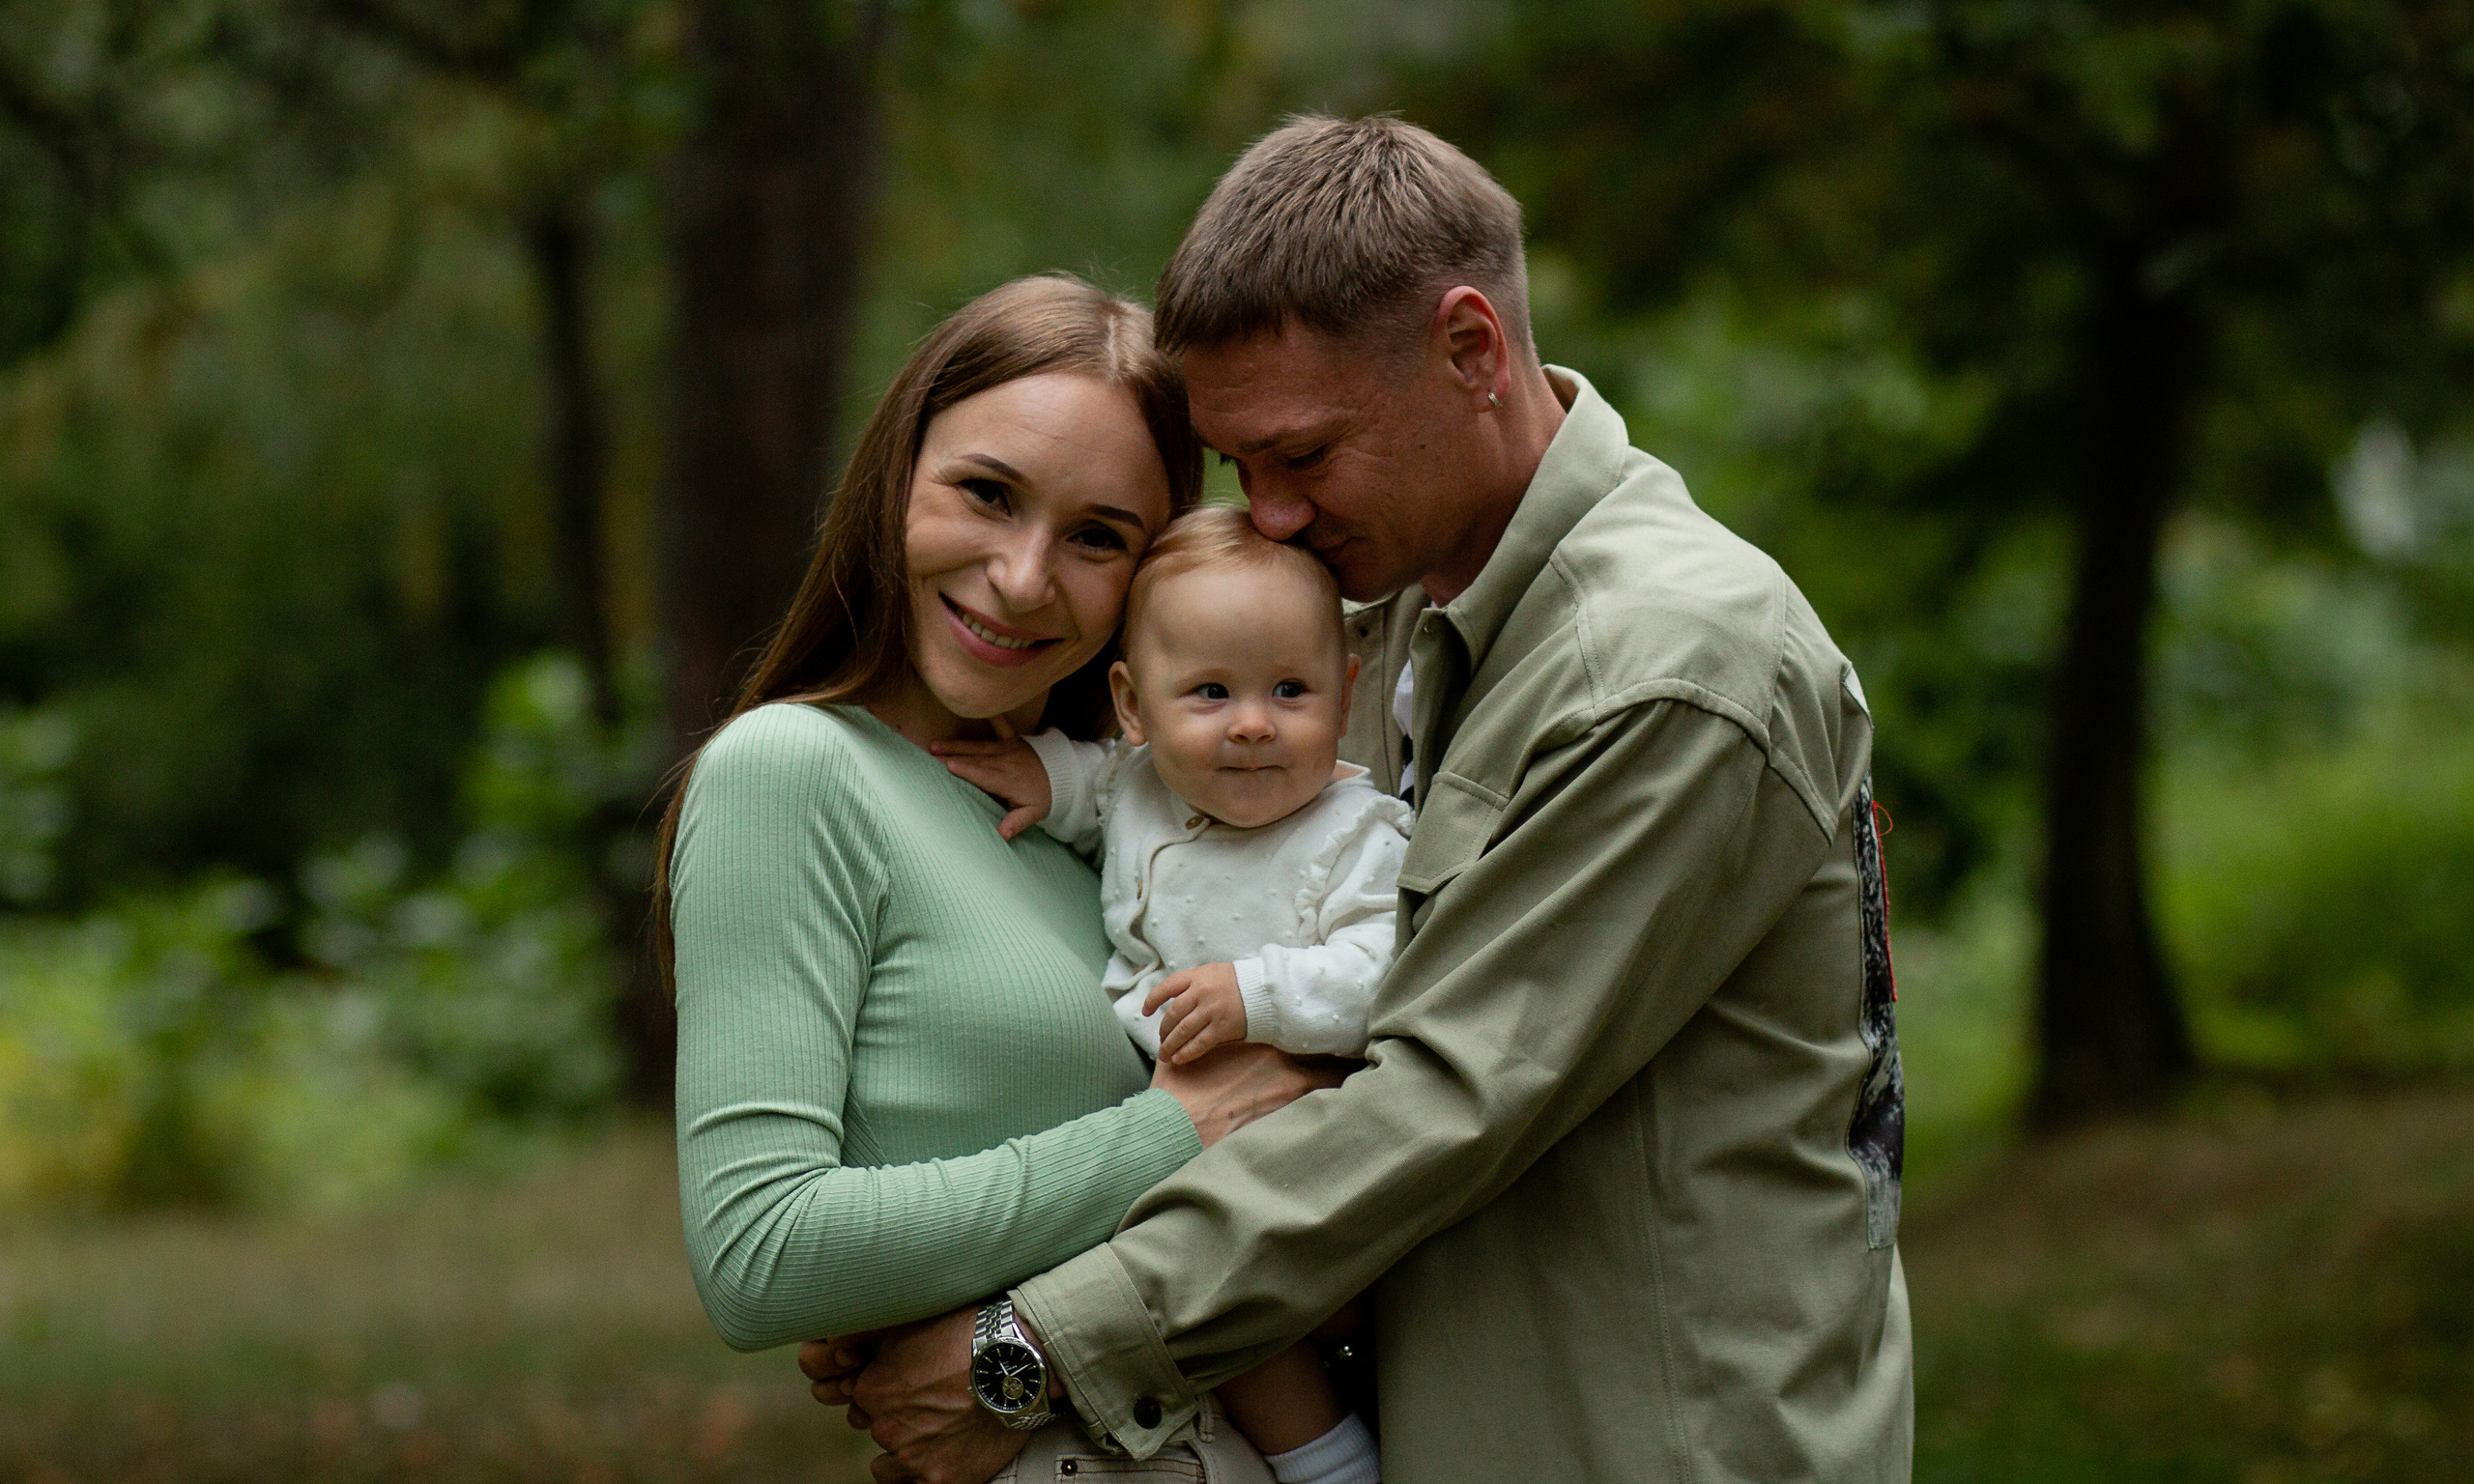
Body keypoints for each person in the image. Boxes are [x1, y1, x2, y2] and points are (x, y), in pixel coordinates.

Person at [809, 117, 1913, 1483]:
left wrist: (1027, 1344)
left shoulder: (1665, 666)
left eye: (1306, 455)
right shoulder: (1380, 615)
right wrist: (930, 1265)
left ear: (1471, 351)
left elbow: (1444, 1099)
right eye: (1240, 469)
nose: (1269, 516)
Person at [661, 274, 1339, 1484]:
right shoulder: (794, 771)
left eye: (1097, 537)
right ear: (895, 477)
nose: (1024, 579)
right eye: (986, 494)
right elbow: (762, 1254)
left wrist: (1002, 1349)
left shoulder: (1133, 816)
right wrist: (1176, 1132)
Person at [935, 503, 1412, 1481]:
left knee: (1232, 1294)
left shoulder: (1354, 833)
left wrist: (1257, 993)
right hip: (1163, 1128)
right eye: (1210, 691)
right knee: (1198, 1304)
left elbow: (1385, 969)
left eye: (1291, 689)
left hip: (1297, 1133)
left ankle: (1330, 1463)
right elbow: (1094, 786)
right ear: (1133, 705)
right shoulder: (1146, 784)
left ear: (1346, 691)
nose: (1252, 722)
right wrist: (1039, 777)